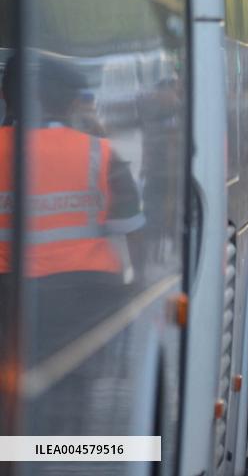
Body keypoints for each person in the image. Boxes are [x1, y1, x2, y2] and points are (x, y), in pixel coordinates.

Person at [0, 56, 144, 352]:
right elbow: (133, 230)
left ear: (5, 96)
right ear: (69, 103)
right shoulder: (101, 152)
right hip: (88, 295)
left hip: (9, 297)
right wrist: (139, 288)